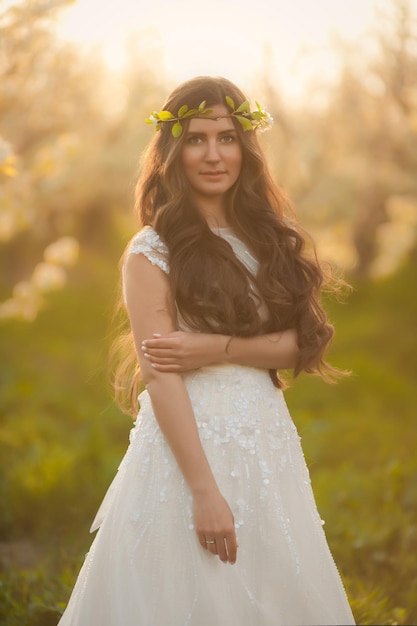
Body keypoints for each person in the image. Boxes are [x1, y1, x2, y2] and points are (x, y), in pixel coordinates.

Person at [58, 76, 355, 626]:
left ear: (246, 146)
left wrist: (212, 347)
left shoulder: (271, 236)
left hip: (266, 443)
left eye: (226, 137)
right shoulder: (152, 250)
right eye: (196, 139)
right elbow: (162, 375)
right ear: (172, 151)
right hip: (186, 451)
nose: (213, 154)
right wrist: (203, 492)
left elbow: (300, 345)